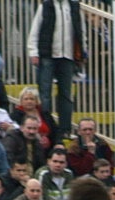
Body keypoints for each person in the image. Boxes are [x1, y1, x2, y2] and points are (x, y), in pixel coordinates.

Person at [28, 0, 87, 141]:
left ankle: (65, 130)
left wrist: (83, 51)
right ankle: (47, 128)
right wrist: (33, 52)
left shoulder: (75, 7)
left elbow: (81, 31)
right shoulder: (45, 6)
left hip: (68, 56)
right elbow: (35, 30)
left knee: (66, 94)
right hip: (48, 54)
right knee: (45, 94)